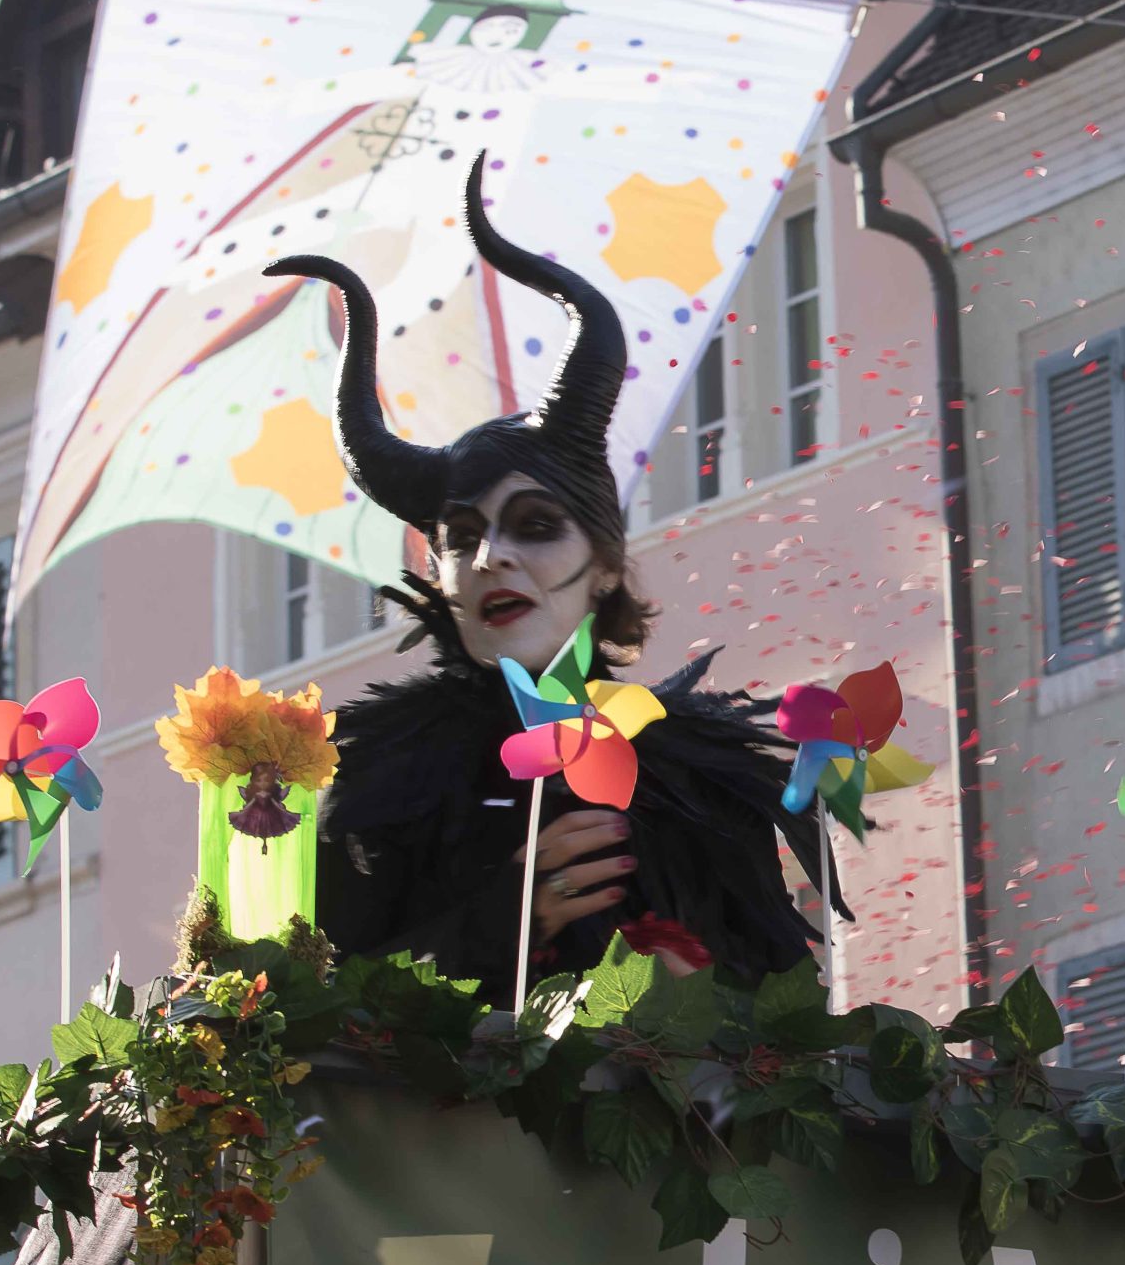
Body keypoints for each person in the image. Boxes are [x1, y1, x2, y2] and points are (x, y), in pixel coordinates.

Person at [264, 156, 827, 986]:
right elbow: (323, 997)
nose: (492, 556)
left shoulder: (696, 776)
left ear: (603, 566)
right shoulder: (382, 779)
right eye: (461, 537)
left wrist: (693, 988)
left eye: (535, 526)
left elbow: (787, 1006)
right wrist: (508, 919)